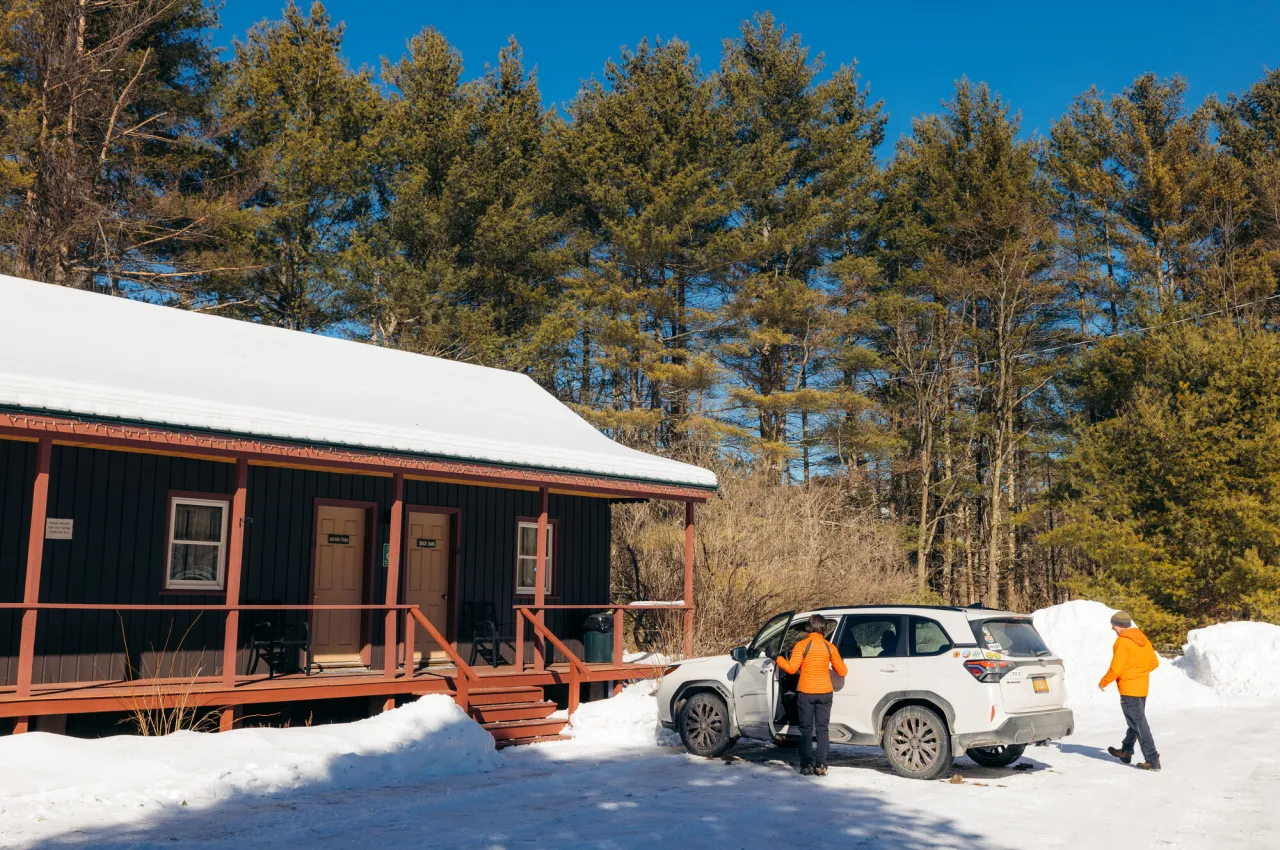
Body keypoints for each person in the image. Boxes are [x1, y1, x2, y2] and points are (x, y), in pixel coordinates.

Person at [776, 613, 848, 776]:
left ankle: (806, 766)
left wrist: (777, 658)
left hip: (806, 693)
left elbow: (792, 669)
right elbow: (843, 671)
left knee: (806, 730)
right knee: (822, 730)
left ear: (809, 627)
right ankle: (821, 765)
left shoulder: (801, 645)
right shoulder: (830, 647)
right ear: (823, 628)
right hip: (824, 693)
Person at [1098, 610, 1162, 771]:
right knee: (1135, 721)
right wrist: (1139, 672)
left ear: (1121, 625)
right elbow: (1154, 663)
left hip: (1129, 689)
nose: (1113, 628)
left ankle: (1152, 759)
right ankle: (1126, 751)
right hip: (1141, 687)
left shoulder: (1122, 642)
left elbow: (1116, 668)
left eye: (1114, 625)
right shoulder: (1143, 639)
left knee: (1139, 724)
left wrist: (1103, 682)